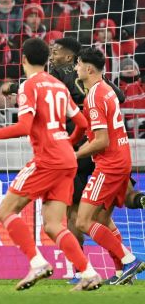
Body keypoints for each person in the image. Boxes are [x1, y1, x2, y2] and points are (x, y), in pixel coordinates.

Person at [0, 38, 101, 291]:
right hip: (66, 159)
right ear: (46, 60)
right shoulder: (59, 86)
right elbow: (83, 124)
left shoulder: (28, 86)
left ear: (24, 59)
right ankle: (89, 272)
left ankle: (37, 262)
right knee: (53, 225)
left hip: (48, 158)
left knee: (5, 211)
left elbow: (24, 127)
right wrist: (68, 143)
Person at [70, 48, 145, 285]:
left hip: (109, 164)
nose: (76, 68)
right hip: (121, 159)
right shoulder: (107, 89)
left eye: (78, 64)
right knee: (103, 219)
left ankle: (129, 260)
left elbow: (101, 141)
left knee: (83, 221)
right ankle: (123, 272)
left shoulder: (93, 97)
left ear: (88, 68)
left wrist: (74, 155)